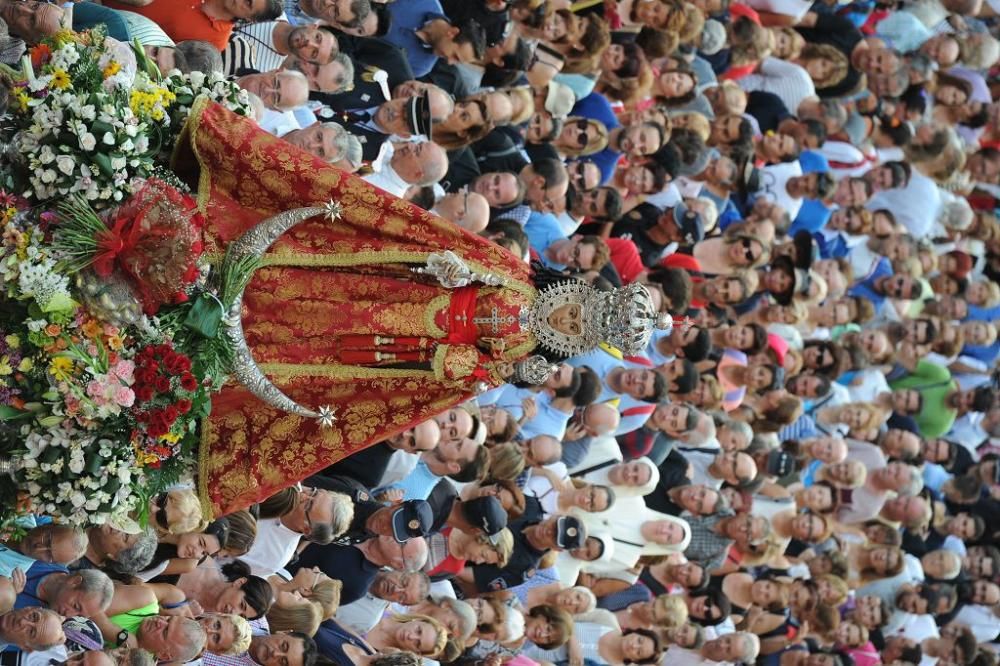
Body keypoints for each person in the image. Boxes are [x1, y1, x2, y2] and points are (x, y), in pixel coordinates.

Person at [175, 101, 673, 517]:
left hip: (394, 349)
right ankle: (208, 266)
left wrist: (464, 363)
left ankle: (193, 340)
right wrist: (447, 266)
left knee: (308, 345)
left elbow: (459, 376)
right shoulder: (519, 276)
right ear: (579, 298)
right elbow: (443, 243)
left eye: (578, 328)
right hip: (395, 286)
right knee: (301, 283)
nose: (570, 320)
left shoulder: (523, 355)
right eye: (579, 312)